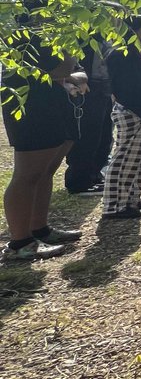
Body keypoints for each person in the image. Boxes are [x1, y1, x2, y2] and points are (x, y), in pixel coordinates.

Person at [2, 14, 84, 260]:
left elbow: (70, 73)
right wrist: (70, 42)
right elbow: (64, 70)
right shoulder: (27, 37)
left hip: (48, 105)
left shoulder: (42, 35)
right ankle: (20, 243)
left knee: (44, 172)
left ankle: (39, 229)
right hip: (31, 108)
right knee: (27, 175)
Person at [101, 15, 141, 220]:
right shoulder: (121, 53)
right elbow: (121, 87)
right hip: (130, 111)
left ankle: (132, 200)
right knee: (123, 159)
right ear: (133, 30)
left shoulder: (136, 52)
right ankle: (113, 206)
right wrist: (136, 110)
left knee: (138, 159)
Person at [63, 28, 113, 194]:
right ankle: (79, 182)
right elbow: (71, 64)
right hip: (87, 92)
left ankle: (94, 175)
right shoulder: (81, 36)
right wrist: (76, 81)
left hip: (105, 90)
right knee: (87, 137)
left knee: (104, 137)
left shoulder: (110, 36)